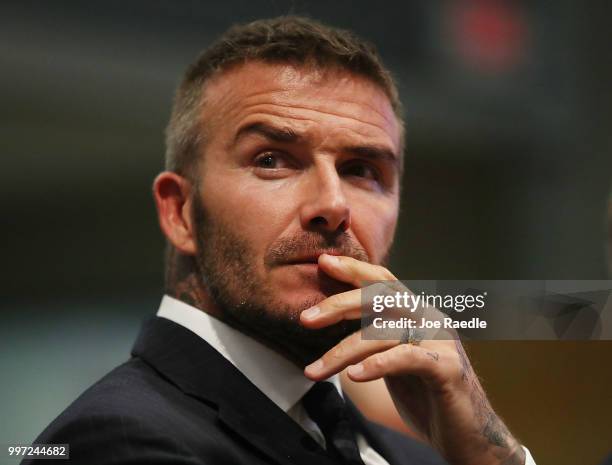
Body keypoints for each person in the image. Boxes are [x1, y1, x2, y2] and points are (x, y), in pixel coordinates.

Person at [24, 16, 536, 465]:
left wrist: (489, 452)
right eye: (271, 160)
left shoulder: (414, 453)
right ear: (180, 212)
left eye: (361, 169)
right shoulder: (119, 441)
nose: (334, 205)